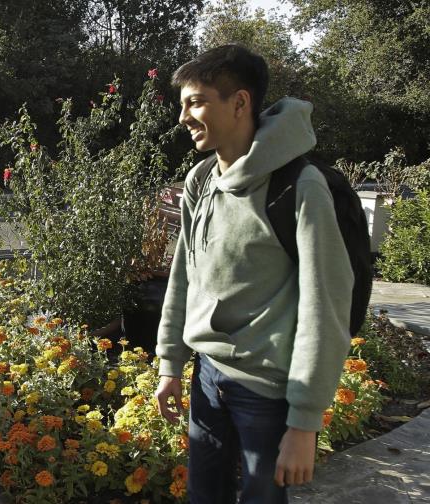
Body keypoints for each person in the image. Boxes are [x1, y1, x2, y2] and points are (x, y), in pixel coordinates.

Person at [153, 44, 354, 503]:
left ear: (239, 103)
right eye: (182, 104)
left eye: (196, 102)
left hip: (267, 393)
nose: (183, 116)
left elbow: (325, 304)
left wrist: (305, 421)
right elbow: (185, 275)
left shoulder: (299, 187)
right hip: (207, 378)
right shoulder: (199, 181)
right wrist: (170, 364)